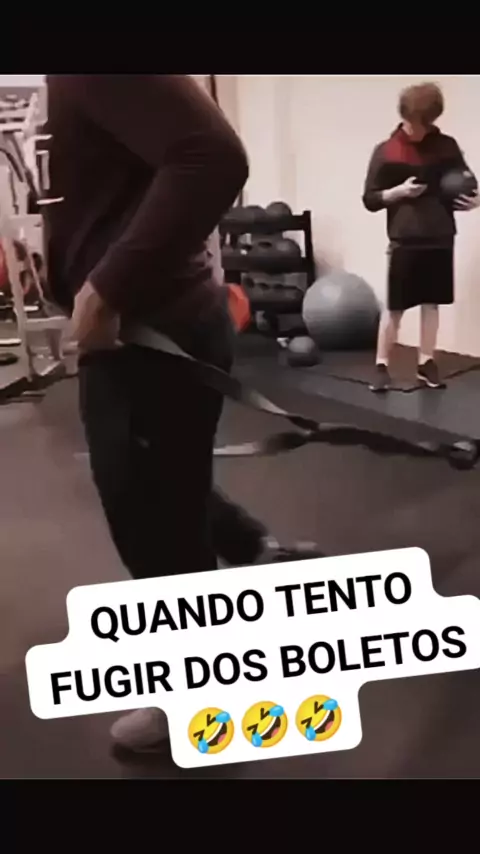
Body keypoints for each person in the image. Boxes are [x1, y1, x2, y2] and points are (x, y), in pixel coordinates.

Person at [45, 75, 322, 754]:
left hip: (149, 329)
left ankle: (200, 698)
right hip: (147, 323)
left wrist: (106, 289)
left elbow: (213, 156)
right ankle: (255, 548)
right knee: (163, 482)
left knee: (148, 517)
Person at [362, 81, 480, 393]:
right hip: (405, 239)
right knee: (395, 307)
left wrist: (476, 200)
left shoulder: (447, 147)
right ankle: (381, 365)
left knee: (432, 304)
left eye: (424, 124)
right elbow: (370, 199)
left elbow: (468, 183)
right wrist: (398, 192)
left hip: (440, 236)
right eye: (413, 123)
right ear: (403, 117)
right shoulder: (387, 151)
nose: (417, 130)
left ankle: (426, 362)